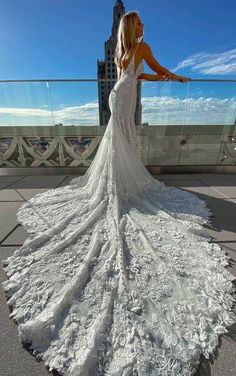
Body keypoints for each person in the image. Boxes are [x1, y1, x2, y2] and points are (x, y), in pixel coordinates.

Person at [2, 10, 236, 376]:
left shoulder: (123, 52)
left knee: (120, 142)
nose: (143, 27)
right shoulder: (141, 46)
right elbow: (157, 67)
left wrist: (156, 75)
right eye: (139, 23)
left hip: (118, 94)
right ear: (133, 27)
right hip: (125, 97)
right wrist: (174, 77)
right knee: (126, 141)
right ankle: (123, 185)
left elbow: (139, 73)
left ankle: (117, 183)